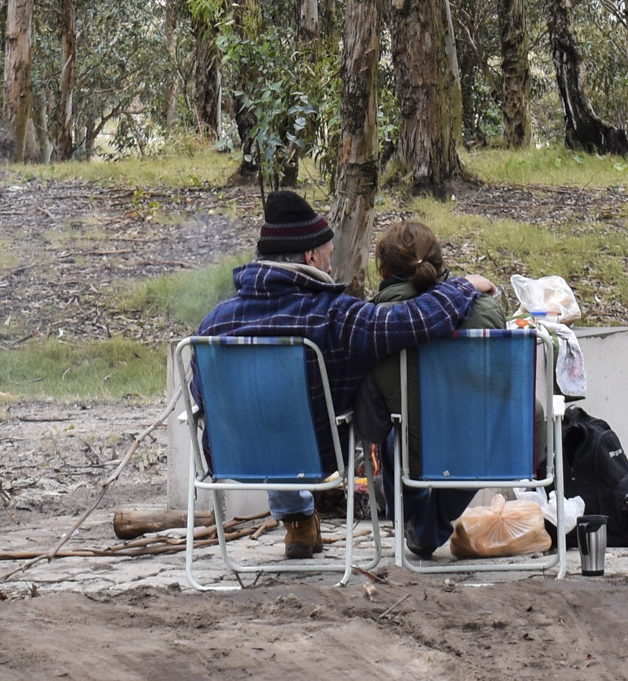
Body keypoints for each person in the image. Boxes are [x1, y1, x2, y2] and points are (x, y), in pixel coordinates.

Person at [196, 189, 494, 559]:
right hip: (316, 458)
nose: (330, 263)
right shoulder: (335, 316)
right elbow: (412, 321)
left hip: (233, 457)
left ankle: (298, 521)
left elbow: (201, 396)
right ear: (310, 256)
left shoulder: (212, 325)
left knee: (268, 410)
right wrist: (463, 286)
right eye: (329, 254)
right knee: (293, 421)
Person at [367, 219, 509, 559]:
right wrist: (465, 285)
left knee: (393, 432)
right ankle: (429, 527)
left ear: (384, 272)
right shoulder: (488, 311)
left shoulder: (378, 323)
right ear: (438, 262)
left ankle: (411, 519)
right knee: (475, 428)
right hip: (485, 450)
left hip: (415, 456)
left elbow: (372, 416)